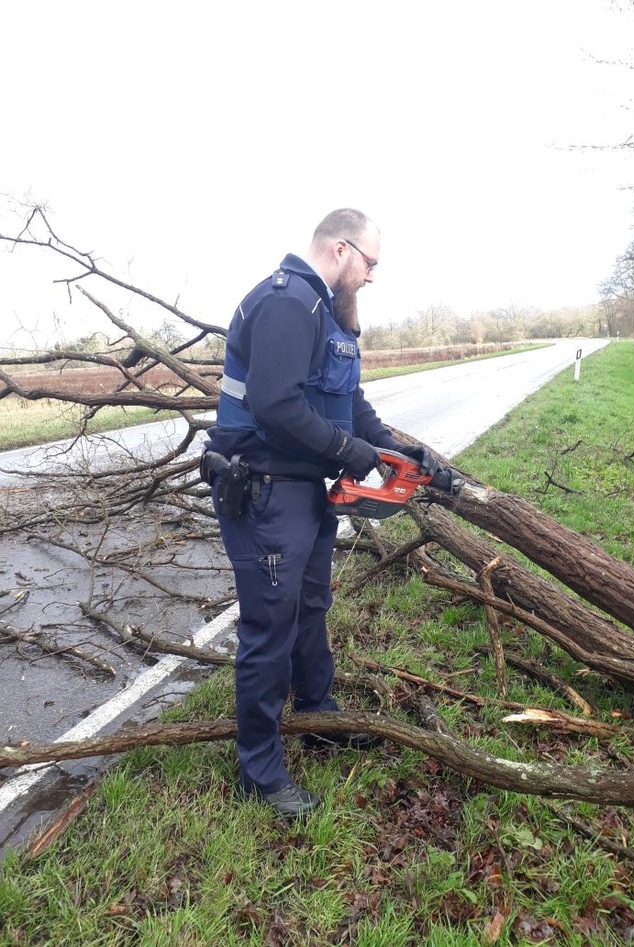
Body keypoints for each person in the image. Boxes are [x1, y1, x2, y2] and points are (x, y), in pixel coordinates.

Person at [204, 208, 435, 818]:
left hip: (303, 491)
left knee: (310, 608)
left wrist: (386, 446)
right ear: (341, 250)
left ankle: (318, 717)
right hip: (264, 491)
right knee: (269, 627)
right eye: (371, 263)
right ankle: (259, 769)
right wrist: (346, 452)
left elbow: (345, 402)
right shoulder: (288, 303)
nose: (372, 276)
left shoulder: (326, 314)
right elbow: (276, 405)